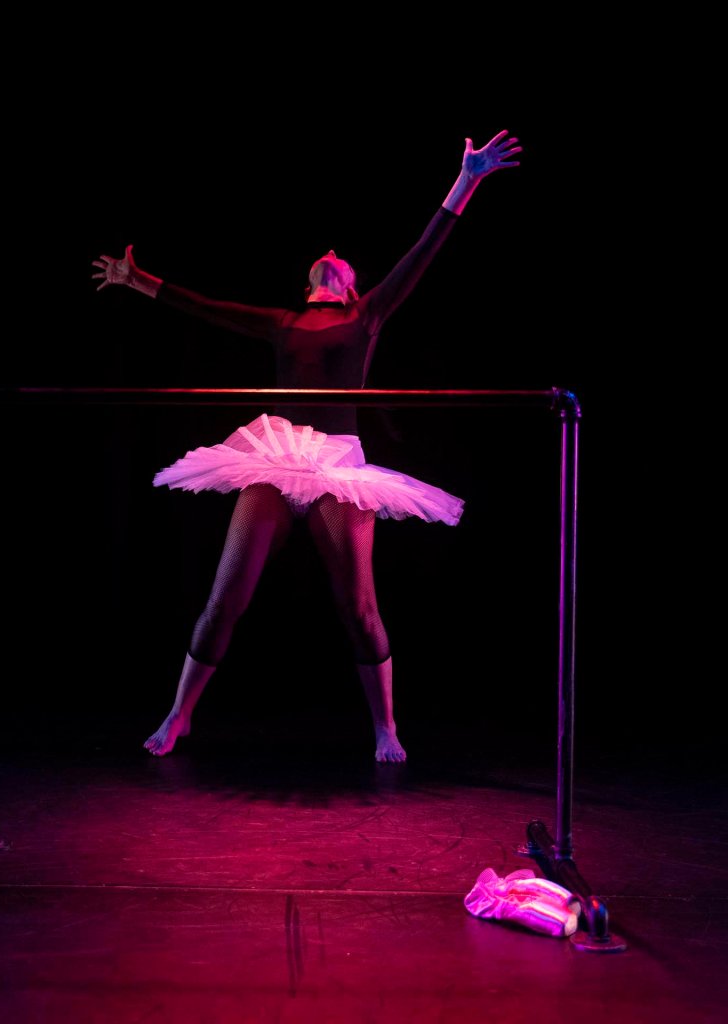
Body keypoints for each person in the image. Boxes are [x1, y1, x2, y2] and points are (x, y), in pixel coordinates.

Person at [92, 130, 521, 762]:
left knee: (359, 606)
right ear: (309, 284)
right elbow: (209, 308)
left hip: (338, 464)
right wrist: (139, 281)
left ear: (349, 286)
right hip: (275, 458)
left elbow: (423, 251)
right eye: (322, 257)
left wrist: (468, 179)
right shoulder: (284, 322)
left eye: (341, 259)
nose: (330, 253)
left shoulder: (366, 315)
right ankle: (179, 714)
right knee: (224, 596)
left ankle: (386, 726)